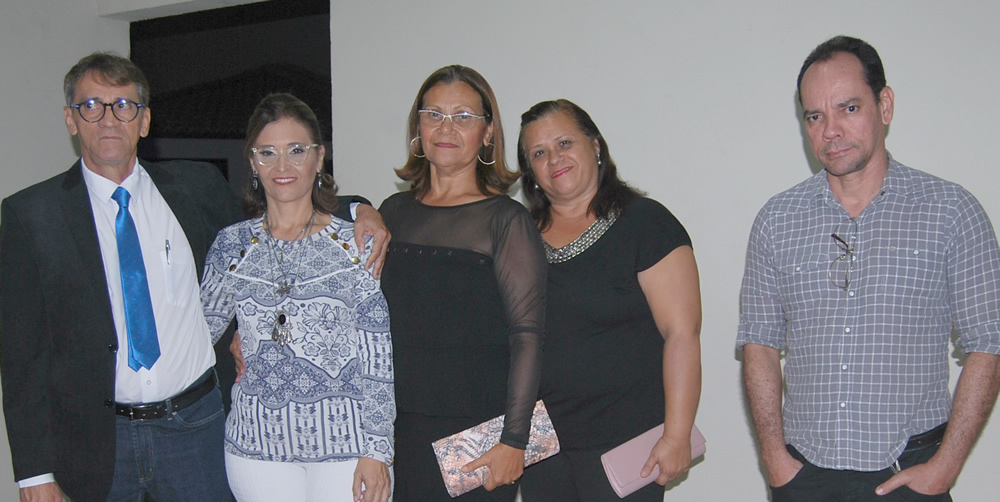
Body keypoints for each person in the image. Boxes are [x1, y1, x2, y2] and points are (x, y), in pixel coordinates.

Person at [0, 52, 388, 502]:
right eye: (91, 106)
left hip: (195, 430)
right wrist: (34, 473)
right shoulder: (31, 215)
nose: (109, 118)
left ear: (144, 120)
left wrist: (360, 208)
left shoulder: (195, 188)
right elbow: (22, 354)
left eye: (124, 105)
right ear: (71, 119)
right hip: (98, 439)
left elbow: (280, 210)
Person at [737, 35, 1000, 502]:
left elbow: (989, 342)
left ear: (885, 105)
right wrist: (774, 459)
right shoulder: (777, 220)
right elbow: (759, 342)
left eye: (849, 108)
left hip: (911, 473)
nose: (830, 130)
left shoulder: (951, 212)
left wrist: (945, 467)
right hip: (804, 476)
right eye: (815, 116)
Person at [200, 93, 393, 502]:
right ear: (253, 162)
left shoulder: (356, 244)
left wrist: (378, 450)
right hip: (255, 450)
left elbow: (377, 354)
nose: (282, 166)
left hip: (347, 449)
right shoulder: (231, 246)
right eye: (267, 153)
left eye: (296, 150)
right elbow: (196, 335)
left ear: (319, 158)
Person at [514, 99, 702, 501]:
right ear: (531, 172)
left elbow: (682, 334)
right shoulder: (518, 236)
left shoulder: (646, 223)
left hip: (627, 446)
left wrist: (677, 434)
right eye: (539, 153)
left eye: (565, 143)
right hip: (542, 449)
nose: (554, 159)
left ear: (595, 145)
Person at [378, 65, 546, 501]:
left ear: (488, 133)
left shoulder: (506, 220)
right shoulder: (391, 212)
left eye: (463, 116)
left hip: (478, 435)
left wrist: (514, 439)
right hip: (397, 431)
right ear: (418, 128)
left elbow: (527, 335)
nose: (446, 127)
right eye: (434, 114)